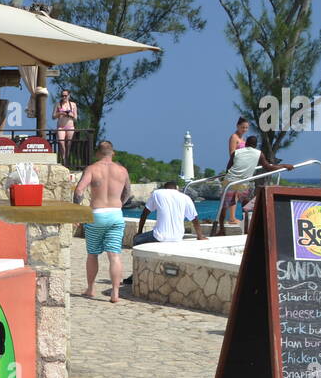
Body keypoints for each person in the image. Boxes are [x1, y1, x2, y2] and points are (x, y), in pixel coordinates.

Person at [72, 140, 131, 303]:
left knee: (92, 254)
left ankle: (90, 289)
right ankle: (115, 293)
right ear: (113, 153)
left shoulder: (92, 169)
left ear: (98, 153)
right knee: (114, 255)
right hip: (115, 214)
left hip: (96, 215)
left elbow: (79, 191)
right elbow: (127, 192)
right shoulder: (122, 170)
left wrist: (77, 213)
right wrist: (118, 205)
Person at [214, 135, 294, 235]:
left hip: (230, 181)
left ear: (246, 143)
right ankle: (248, 229)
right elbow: (268, 167)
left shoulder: (236, 152)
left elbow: (228, 169)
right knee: (246, 205)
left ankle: (221, 229)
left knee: (224, 206)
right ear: (256, 145)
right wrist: (285, 166)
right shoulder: (259, 154)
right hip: (244, 183)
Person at [133, 182, 206, 246]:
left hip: (159, 236)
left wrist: (139, 232)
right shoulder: (186, 197)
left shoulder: (157, 193)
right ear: (176, 188)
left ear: (164, 188)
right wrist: (200, 236)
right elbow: (195, 219)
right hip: (178, 237)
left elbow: (144, 214)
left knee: (137, 239)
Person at [224, 117, 251, 223]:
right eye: (242, 127)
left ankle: (237, 216)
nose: (244, 129)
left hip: (243, 169)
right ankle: (232, 217)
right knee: (233, 194)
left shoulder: (243, 139)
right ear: (237, 126)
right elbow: (232, 153)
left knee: (240, 193)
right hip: (235, 168)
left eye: (246, 128)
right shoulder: (234, 137)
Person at [53, 90, 78, 163]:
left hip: (70, 126)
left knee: (69, 144)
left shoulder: (73, 104)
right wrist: (60, 113)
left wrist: (71, 115)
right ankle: (63, 157)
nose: (64, 97)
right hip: (61, 126)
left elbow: (76, 118)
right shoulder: (58, 104)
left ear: (69, 96)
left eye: (65, 96)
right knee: (61, 142)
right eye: (62, 96)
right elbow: (53, 116)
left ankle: (67, 158)